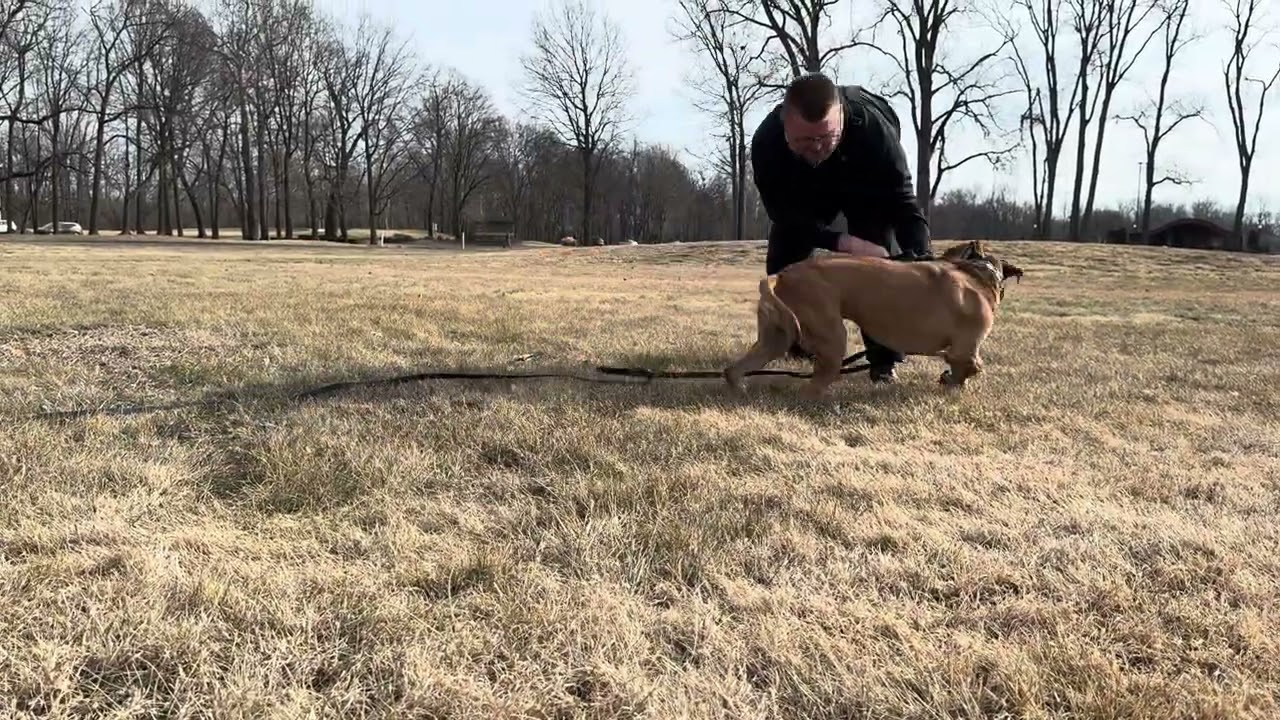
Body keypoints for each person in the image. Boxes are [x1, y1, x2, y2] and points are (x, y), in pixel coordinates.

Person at [750, 71, 933, 383]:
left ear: (841, 119)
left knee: (875, 261)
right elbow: (783, 215)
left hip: (864, 181)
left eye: (826, 137)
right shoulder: (767, 143)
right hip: (805, 192)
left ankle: (884, 360)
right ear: (785, 124)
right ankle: (791, 342)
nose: (817, 147)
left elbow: (903, 205)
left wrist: (924, 262)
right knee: (785, 256)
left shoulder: (875, 133)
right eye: (805, 140)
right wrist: (840, 242)